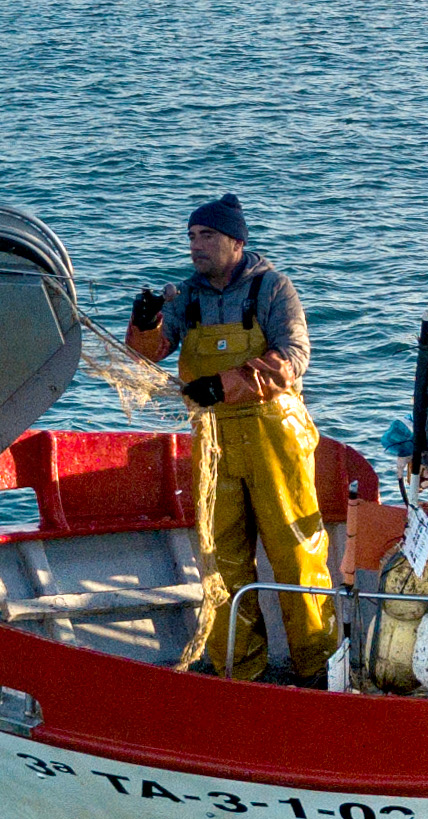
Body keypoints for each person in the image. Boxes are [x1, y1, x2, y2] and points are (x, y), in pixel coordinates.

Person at [125, 194, 335, 682]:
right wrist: (146, 321)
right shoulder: (187, 297)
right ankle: (239, 670)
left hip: (274, 434)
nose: (196, 246)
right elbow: (146, 356)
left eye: (208, 236)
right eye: (192, 237)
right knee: (220, 559)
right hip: (214, 440)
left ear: (237, 242)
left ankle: (318, 668)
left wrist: (225, 384)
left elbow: (294, 356)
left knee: (296, 553)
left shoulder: (272, 289)